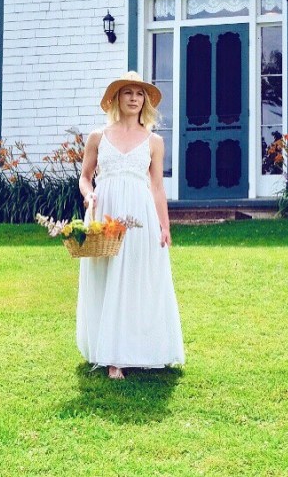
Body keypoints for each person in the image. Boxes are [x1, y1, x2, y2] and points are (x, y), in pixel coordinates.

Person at [75, 71, 185, 379]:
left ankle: (139, 348)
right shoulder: (98, 137)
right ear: (116, 98)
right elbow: (85, 177)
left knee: (135, 279)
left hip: (140, 217)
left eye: (139, 94)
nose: (134, 98)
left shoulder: (154, 141)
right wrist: (89, 194)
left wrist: (165, 226)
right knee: (108, 279)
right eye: (128, 93)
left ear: (145, 101)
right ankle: (113, 357)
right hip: (105, 213)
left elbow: (157, 187)